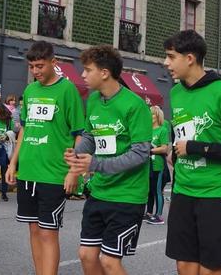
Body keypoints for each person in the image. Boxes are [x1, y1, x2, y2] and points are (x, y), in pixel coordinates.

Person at [163, 30, 221, 275]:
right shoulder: (175, 92)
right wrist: (175, 149)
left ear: (190, 58)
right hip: (183, 190)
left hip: (217, 193)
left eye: (171, 57)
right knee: (184, 265)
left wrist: (194, 147)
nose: (166, 62)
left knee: (210, 269)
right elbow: (180, 132)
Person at [65, 45, 151, 275]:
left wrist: (95, 164)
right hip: (100, 191)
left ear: (104, 73)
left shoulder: (135, 105)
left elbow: (141, 153)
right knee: (86, 255)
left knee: (109, 262)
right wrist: (76, 156)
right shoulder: (93, 101)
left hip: (127, 195)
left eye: (87, 69)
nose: (82, 75)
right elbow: (90, 136)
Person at [6, 41, 84, 275]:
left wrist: (73, 171)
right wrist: (13, 163)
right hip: (28, 172)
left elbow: (79, 135)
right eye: (32, 67)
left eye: (40, 65)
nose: (36, 71)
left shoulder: (68, 90)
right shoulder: (30, 91)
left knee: (48, 232)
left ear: (53, 62)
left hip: (53, 173)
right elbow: (25, 130)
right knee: (34, 230)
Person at [146, 105, 171, 225]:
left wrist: (150, 150)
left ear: (157, 116)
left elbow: (165, 148)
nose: (150, 117)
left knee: (157, 190)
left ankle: (159, 215)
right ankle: (149, 213)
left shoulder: (162, 130)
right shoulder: (147, 130)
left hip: (158, 165)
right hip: (147, 165)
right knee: (149, 190)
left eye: (152, 114)